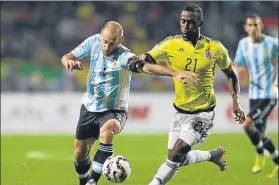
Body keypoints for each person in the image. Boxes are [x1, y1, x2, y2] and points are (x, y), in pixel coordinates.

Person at [61, 21, 198, 185]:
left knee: (108, 131)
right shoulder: (93, 41)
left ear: (121, 40)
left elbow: (146, 67)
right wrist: (68, 62)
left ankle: (92, 181)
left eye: (112, 43)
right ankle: (83, 182)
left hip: (114, 110)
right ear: (101, 35)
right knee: (80, 153)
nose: (106, 46)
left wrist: (173, 73)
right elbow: (67, 56)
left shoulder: (123, 56)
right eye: (105, 41)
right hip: (89, 107)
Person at [128, 4, 245, 185]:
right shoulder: (171, 44)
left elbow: (231, 74)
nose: (186, 26)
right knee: (177, 159)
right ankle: (213, 155)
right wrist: (142, 58)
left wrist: (235, 102)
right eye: (183, 21)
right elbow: (146, 62)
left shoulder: (215, 48)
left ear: (200, 23)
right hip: (179, 111)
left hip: (203, 113)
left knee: (176, 155)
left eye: (191, 22)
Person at [233, 13, 278, 178]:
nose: (253, 28)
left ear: (261, 26)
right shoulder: (243, 44)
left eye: (256, 25)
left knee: (246, 124)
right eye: (250, 25)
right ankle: (277, 161)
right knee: (261, 133)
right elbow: (238, 64)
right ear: (246, 28)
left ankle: (259, 153)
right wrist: (234, 70)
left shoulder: (272, 44)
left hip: (269, 94)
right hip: (254, 94)